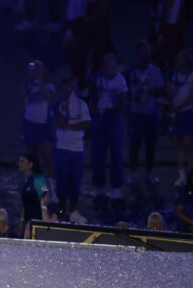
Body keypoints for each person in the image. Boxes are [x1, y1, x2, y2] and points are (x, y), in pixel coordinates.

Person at [126, 41, 165, 185]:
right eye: (143, 52)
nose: (146, 55)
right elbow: (125, 92)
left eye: (148, 51)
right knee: (134, 144)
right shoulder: (131, 72)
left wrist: (153, 92)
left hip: (150, 112)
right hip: (135, 113)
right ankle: (133, 173)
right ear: (137, 54)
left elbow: (161, 90)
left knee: (150, 144)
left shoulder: (155, 72)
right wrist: (133, 96)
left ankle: (149, 172)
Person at [89, 53, 127, 200]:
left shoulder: (120, 80)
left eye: (110, 63)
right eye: (106, 63)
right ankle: (98, 186)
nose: (107, 66)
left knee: (116, 153)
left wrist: (108, 111)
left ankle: (116, 187)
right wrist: (95, 113)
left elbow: (122, 104)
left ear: (115, 65)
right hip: (100, 120)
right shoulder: (98, 80)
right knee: (98, 153)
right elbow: (93, 98)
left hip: (113, 120)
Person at [53, 76, 92, 222]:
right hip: (61, 149)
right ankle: (63, 211)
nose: (71, 90)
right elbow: (56, 122)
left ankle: (74, 211)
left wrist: (69, 126)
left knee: (75, 181)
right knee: (62, 181)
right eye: (68, 87)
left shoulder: (82, 105)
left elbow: (86, 124)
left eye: (73, 87)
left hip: (76, 149)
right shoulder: (58, 105)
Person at [19, 60, 56, 184]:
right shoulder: (28, 85)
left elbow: (48, 96)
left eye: (39, 68)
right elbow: (21, 92)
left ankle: (53, 190)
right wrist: (28, 77)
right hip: (29, 124)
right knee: (31, 158)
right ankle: (35, 187)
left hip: (43, 125)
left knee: (48, 157)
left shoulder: (49, 85)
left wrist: (40, 79)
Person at [167, 50, 193, 187]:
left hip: (188, 112)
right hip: (176, 112)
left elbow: (191, 97)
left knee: (188, 145)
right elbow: (169, 92)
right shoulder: (172, 75)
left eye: (180, 59)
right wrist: (172, 111)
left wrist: (177, 109)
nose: (177, 61)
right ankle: (181, 175)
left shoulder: (192, 75)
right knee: (177, 143)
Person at [18, 153, 49, 234]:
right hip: (27, 220)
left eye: (22, 162)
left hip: (37, 219)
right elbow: (24, 203)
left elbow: (45, 192)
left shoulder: (39, 179)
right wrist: (21, 221)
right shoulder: (26, 180)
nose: (19, 164)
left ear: (30, 164)